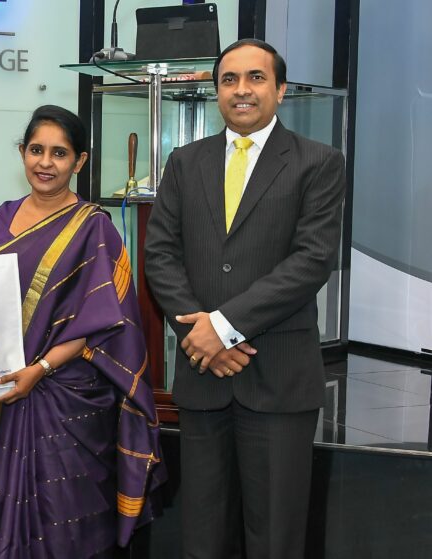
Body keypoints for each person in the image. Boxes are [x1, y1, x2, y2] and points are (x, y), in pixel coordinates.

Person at [144, 39, 346, 558]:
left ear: (280, 89)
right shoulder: (186, 162)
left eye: (255, 78)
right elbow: (160, 255)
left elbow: (311, 261)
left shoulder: (317, 163)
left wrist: (224, 326)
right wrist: (200, 335)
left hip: (278, 379)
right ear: (217, 92)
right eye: (229, 80)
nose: (241, 90)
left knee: (275, 539)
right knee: (202, 539)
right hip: (203, 376)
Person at [0, 105, 164, 558]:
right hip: (6, 390)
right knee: (8, 509)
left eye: (59, 153)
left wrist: (40, 368)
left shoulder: (95, 227)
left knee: (68, 525)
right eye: (37, 150)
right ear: (22, 153)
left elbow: (101, 318)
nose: (46, 162)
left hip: (69, 396)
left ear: (79, 162)